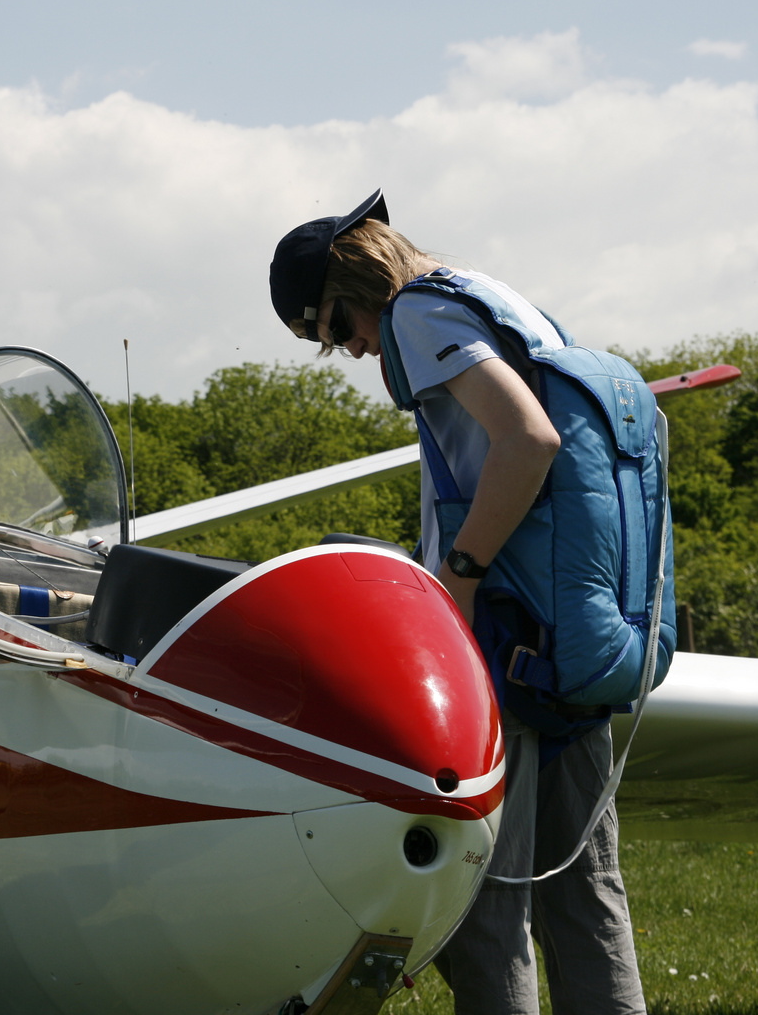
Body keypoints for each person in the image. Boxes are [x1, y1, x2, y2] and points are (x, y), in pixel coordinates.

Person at [268, 190, 648, 1015]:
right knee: (586, 899)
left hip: (504, 633)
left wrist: (461, 579)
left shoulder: (416, 313)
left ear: (351, 278)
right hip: (574, 631)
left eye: (334, 328)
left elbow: (528, 438)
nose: (355, 350)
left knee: (485, 909)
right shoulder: (496, 295)